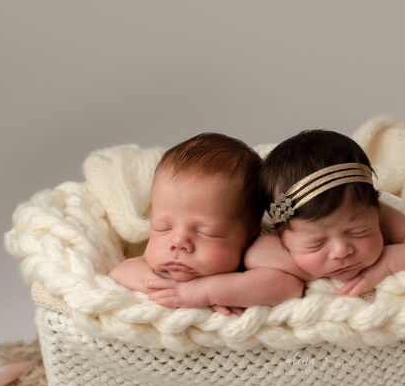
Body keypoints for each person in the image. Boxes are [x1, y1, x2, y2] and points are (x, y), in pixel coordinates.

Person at [243, 129, 405, 297]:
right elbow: (255, 255)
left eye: (359, 231)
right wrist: (312, 270)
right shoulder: (283, 229)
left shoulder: (375, 211)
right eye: (316, 243)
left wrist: (386, 264)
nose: (341, 251)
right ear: (282, 233)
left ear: (374, 209)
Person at [108, 132, 303, 314]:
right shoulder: (159, 267)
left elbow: (289, 287)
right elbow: (121, 272)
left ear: (249, 237)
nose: (178, 242)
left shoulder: (250, 262)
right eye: (163, 228)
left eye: (205, 233)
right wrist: (177, 292)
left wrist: (206, 293)